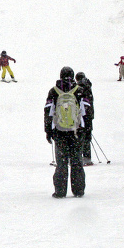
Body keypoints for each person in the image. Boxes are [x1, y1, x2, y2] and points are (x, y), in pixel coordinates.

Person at [44, 66, 87, 198]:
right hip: (76, 132)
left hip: (60, 132)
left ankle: (60, 191)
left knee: (61, 163)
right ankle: (78, 190)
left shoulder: (54, 91)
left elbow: (48, 112)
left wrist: (48, 131)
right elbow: (87, 111)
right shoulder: (79, 90)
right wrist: (86, 130)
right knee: (77, 162)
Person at [75, 72, 94, 166]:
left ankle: (81, 157)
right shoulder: (88, 86)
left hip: (81, 116)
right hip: (89, 115)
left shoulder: (79, 88)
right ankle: (87, 157)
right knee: (87, 136)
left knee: (80, 136)